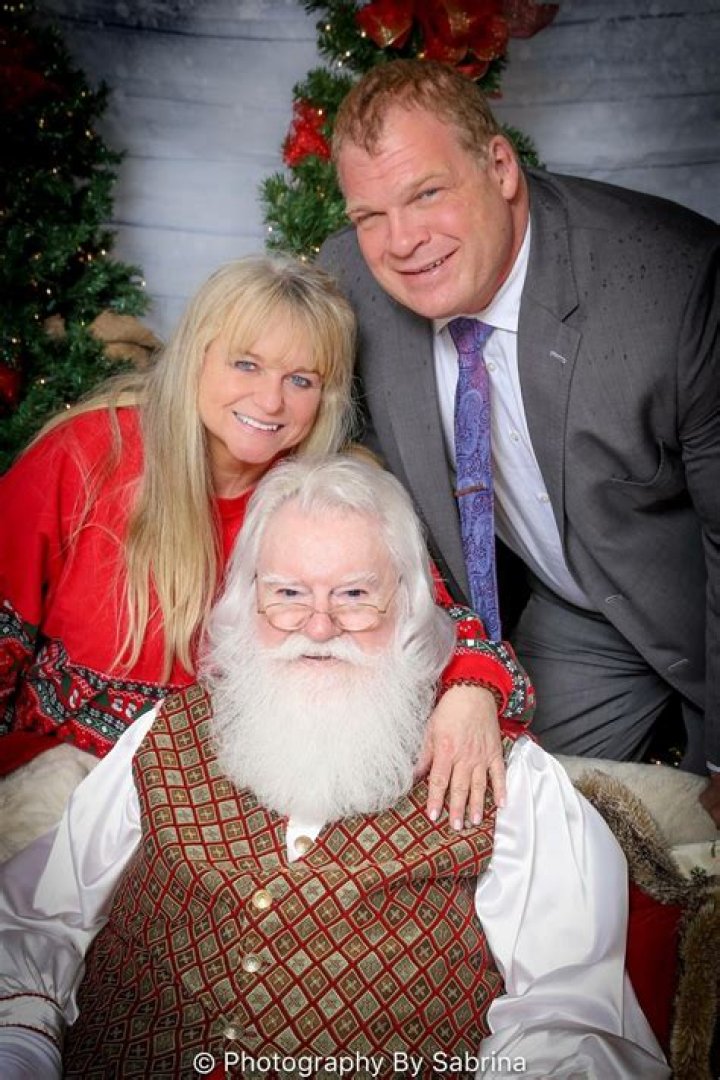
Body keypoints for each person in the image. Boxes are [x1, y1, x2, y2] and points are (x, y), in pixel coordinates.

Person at [0, 456, 669, 1079]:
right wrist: (21, 1051)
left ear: (409, 606)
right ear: (247, 600)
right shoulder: (164, 734)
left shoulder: (508, 777)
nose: (318, 627)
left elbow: (568, 1022)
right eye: (288, 592)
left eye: (354, 594)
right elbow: (37, 922)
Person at [318, 59, 720, 824]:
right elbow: (345, 474)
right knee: (498, 822)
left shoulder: (674, 283)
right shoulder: (350, 279)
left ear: (500, 167)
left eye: (427, 193)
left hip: (701, 605)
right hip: (578, 615)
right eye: (370, 215)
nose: (402, 241)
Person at [0, 252, 533, 826]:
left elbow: (435, 621)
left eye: (300, 379)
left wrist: (471, 691)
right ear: (197, 356)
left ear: (325, 396)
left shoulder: (328, 498)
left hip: (230, 798)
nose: (271, 401)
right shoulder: (88, 453)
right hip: (68, 773)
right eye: (246, 365)